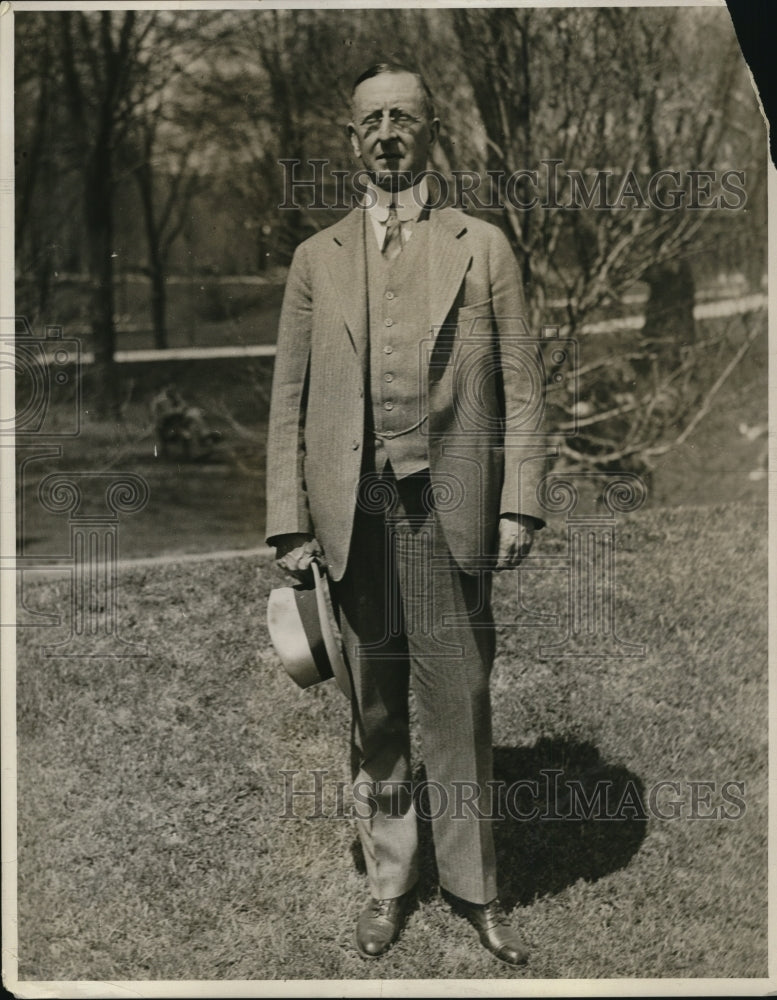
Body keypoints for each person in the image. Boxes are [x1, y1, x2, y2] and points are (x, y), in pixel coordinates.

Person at [266, 62, 547, 966]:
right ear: (353, 140)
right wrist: (288, 521)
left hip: (448, 509)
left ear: (430, 133)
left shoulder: (484, 245)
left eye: (403, 118)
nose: (386, 134)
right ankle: (390, 883)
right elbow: (288, 401)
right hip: (351, 515)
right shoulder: (317, 259)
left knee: (460, 702)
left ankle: (475, 889)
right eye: (369, 122)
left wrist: (520, 507)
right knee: (375, 707)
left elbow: (524, 391)